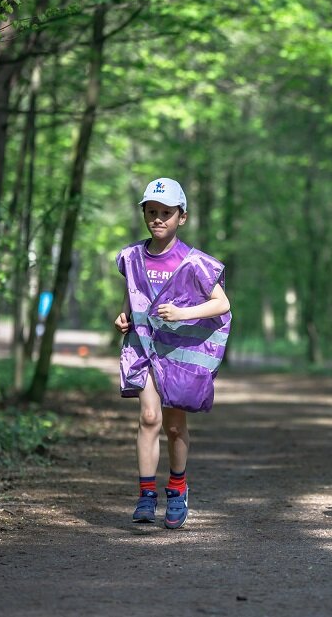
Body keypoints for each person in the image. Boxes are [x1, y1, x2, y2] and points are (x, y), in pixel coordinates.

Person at [114, 177, 232, 529]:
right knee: (149, 418)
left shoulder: (195, 262)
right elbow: (133, 297)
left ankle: (177, 490)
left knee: (176, 426)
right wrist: (123, 317)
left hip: (179, 353)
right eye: (152, 212)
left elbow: (222, 304)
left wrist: (182, 314)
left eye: (166, 212)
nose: (158, 219)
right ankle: (146, 495)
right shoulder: (132, 256)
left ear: (182, 217)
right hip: (144, 348)